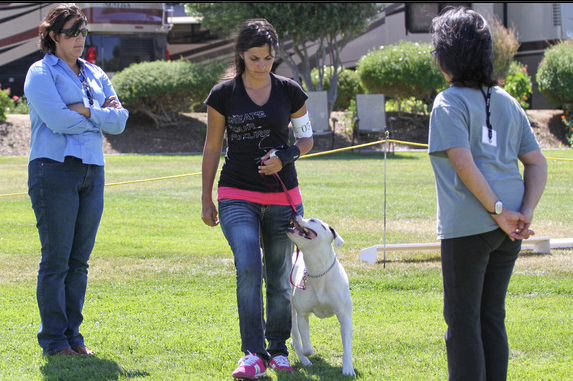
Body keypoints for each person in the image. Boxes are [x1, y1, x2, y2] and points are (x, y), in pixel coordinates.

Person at [428, 7, 547, 381]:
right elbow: (538, 163)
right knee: (492, 317)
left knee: (463, 322)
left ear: (448, 54)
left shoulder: (447, 102)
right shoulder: (508, 100)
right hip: (507, 228)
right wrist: (521, 211)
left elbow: (464, 165)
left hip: (470, 227)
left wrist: (498, 211)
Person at [201, 19, 314, 379]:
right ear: (241, 55)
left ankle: (278, 350)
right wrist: (206, 198)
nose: (262, 65)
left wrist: (286, 155)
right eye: (254, 58)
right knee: (249, 265)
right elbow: (213, 146)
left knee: (279, 276)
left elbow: (308, 139)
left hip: (283, 196)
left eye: (267, 58)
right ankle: (253, 353)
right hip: (236, 193)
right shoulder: (223, 94)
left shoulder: (290, 91)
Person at [24, 3, 128, 356]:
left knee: (79, 261)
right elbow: (57, 121)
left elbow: (122, 120)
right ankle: (54, 340)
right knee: (56, 259)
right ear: (53, 36)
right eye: (72, 32)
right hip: (52, 169)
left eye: (83, 31)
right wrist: (101, 116)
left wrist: (85, 110)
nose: (79, 39)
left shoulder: (96, 73)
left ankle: (73, 336)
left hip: (92, 170)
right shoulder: (40, 73)